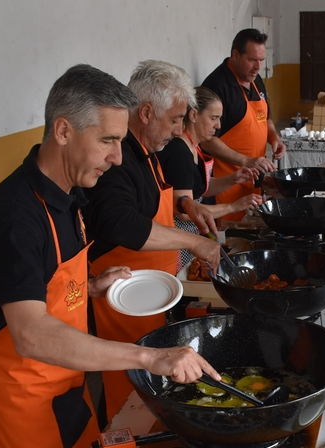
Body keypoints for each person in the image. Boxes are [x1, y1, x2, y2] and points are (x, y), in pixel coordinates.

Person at [0, 64, 220, 448]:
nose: (118, 158)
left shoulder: (69, 195)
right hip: (26, 393)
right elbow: (29, 333)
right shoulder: (15, 216)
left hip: (68, 379)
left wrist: (88, 287)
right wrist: (146, 358)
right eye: (107, 141)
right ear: (63, 130)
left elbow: (47, 287)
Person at [84, 60, 222, 423]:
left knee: (150, 385)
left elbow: (149, 202)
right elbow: (120, 223)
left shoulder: (148, 153)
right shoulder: (119, 158)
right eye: (176, 119)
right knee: (126, 394)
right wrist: (193, 243)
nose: (179, 130)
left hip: (154, 292)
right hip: (124, 300)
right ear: (146, 112)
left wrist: (185, 202)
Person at [157, 87, 262, 270]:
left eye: (219, 119)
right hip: (179, 238)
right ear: (194, 115)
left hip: (193, 234)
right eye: (213, 118)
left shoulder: (195, 146)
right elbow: (185, 210)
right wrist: (232, 206)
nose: (218, 125)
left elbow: (199, 187)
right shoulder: (179, 152)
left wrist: (233, 179)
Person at [201, 28, 286, 221]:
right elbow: (207, 140)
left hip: (251, 178)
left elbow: (267, 118)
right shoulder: (217, 86)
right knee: (229, 238)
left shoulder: (256, 80)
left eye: (261, 60)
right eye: (252, 60)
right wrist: (246, 161)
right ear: (236, 55)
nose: (257, 67)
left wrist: (274, 137)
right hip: (224, 183)